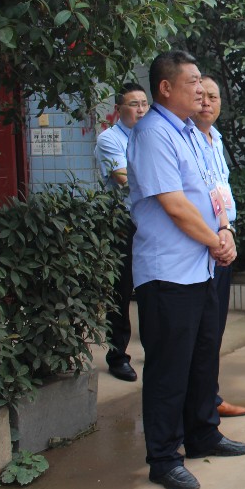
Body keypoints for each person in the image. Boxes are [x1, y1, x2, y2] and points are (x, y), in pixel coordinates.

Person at [127, 50, 245, 489]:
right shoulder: (153, 133)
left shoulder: (194, 134)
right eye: (193, 81)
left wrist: (225, 228)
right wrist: (216, 241)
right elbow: (175, 205)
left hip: (200, 266)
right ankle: (164, 456)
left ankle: (202, 433)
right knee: (168, 368)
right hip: (168, 272)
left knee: (202, 357)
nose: (202, 89)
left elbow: (214, 191)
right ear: (166, 87)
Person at [192, 75, 245, 417]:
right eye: (202, 96)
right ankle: (203, 404)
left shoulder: (216, 139)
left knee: (215, 329)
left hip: (223, 239)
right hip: (203, 245)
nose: (207, 103)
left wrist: (227, 231)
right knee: (202, 332)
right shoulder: (187, 140)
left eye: (214, 97)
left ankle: (210, 397)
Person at [94, 82, 148, 382]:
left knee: (151, 288)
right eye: (133, 104)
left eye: (144, 103)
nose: (141, 109)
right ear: (119, 108)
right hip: (123, 222)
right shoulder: (109, 139)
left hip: (151, 222)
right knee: (121, 292)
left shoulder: (150, 137)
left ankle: (152, 348)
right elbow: (125, 179)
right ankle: (118, 356)